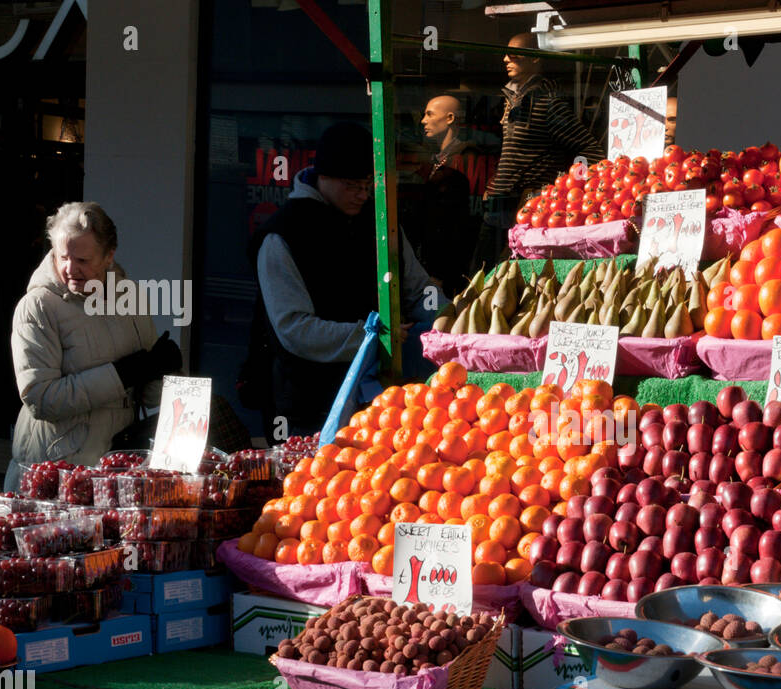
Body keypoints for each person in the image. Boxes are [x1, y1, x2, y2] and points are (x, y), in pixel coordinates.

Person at [243, 122, 446, 439]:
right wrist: (371, 338)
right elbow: (293, 328)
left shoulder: (381, 222)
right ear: (323, 175)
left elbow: (419, 291)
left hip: (382, 401)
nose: (363, 194)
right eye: (353, 185)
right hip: (307, 407)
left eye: (368, 184)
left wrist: (448, 317)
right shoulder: (282, 236)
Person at [4, 202, 181, 492]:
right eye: (63, 257)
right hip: (53, 475)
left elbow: (149, 397)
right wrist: (123, 373)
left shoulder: (129, 295)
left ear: (109, 256)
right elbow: (40, 398)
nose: (70, 269)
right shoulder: (37, 307)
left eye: (83, 260)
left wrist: (165, 370)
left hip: (114, 470)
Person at [471, 32, 604, 271]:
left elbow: (590, 149)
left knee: (503, 275)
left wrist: (559, 190)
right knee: (483, 275)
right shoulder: (514, 101)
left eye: (515, 54)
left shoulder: (547, 103)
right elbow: (516, 154)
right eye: (506, 53)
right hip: (500, 204)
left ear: (535, 59)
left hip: (525, 208)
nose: (505, 59)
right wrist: (496, 182)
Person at [413, 95, 481, 297]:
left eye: (429, 114)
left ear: (450, 118)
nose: (423, 120)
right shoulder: (438, 161)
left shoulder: (464, 159)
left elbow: (457, 225)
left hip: (450, 270)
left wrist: (441, 273)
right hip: (434, 266)